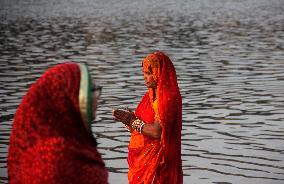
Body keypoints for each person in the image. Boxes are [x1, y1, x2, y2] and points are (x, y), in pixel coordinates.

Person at [8, 62, 108, 184]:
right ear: (68, 99)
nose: (97, 96)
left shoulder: (73, 141)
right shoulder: (55, 158)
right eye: (91, 89)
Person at [113, 51, 183, 184]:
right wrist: (129, 121)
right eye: (144, 73)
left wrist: (131, 121)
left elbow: (157, 131)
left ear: (159, 73)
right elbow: (143, 125)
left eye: (149, 73)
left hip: (160, 162)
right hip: (144, 159)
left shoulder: (168, 97)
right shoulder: (150, 95)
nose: (145, 77)